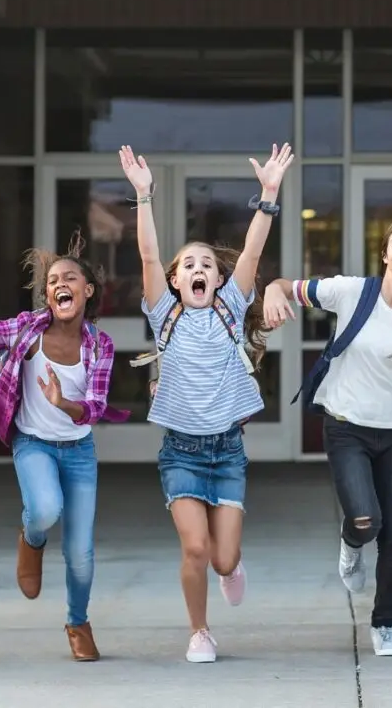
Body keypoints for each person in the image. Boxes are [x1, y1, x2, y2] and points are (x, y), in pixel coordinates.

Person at [120, 142, 292, 664]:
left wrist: (268, 195)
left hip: (227, 453)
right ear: (175, 282)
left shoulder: (229, 310)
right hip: (181, 453)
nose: (197, 269)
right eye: (187, 266)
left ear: (218, 280)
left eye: (206, 266)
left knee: (222, 559)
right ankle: (200, 632)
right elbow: (148, 253)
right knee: (194, 549)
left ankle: (231, 569)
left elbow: (254, 253)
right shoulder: (164, 316)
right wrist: (143, 196)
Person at [0, 238, 129, 662]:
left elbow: (96, 409)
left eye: (70, 277)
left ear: (87, 290)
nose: (60, 284)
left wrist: (63, 403)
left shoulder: (99, 346)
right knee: (45, 511)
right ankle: (31, 539)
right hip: (33, 445)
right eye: (53, 281)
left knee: (80, 554)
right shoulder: (27, 329)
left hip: (79, 452)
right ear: (48, 295)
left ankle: (77, 621)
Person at [263, 217, 392, 657]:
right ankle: (351, 543)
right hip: (346, 426)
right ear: (386, 255)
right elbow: (286, 286)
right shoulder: (353, 291)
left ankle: (384, 624)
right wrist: (274, 292)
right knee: (366, 521)